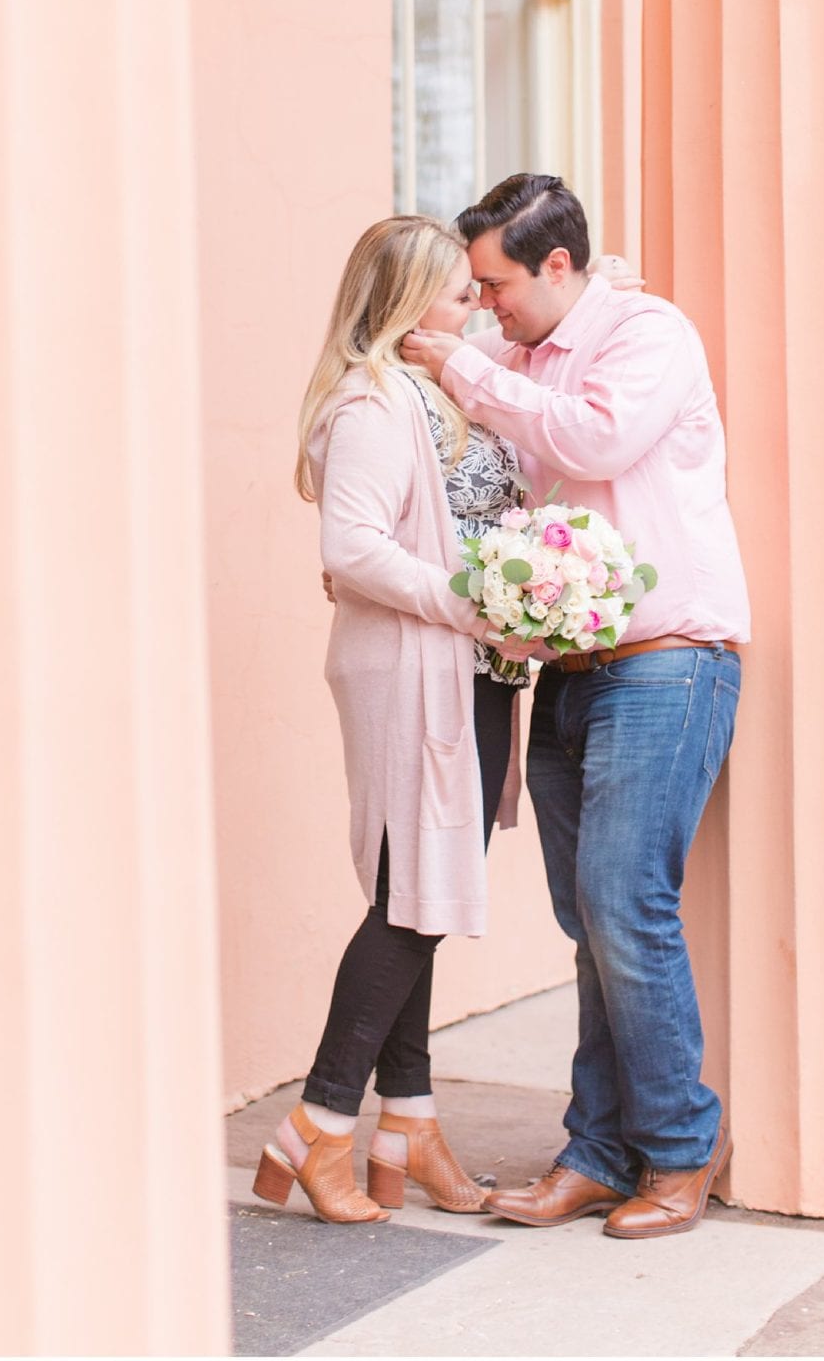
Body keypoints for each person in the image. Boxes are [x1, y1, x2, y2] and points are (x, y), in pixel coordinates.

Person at [401, 173, 750, 1241]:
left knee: (625, 907)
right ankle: (596, 1151)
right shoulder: (519, 350)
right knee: (588, 925)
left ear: (558, 265)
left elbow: (592, 440)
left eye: (498, 283)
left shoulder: (648, 334)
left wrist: (463, 362)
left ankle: (679, 1153)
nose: (488, 303)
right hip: (567, 671)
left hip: (666, 660)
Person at [253, 214, 528, 1225]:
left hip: (467, 667)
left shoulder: (432, 386)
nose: (475, 308)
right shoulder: (374, 402)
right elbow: (357, 548)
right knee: (414, 896)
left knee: (424, 885)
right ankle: (320, 1124)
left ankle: (405, 1121)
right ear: (409, 301)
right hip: (420, 664)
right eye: (460, 291)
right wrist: (477, 602)